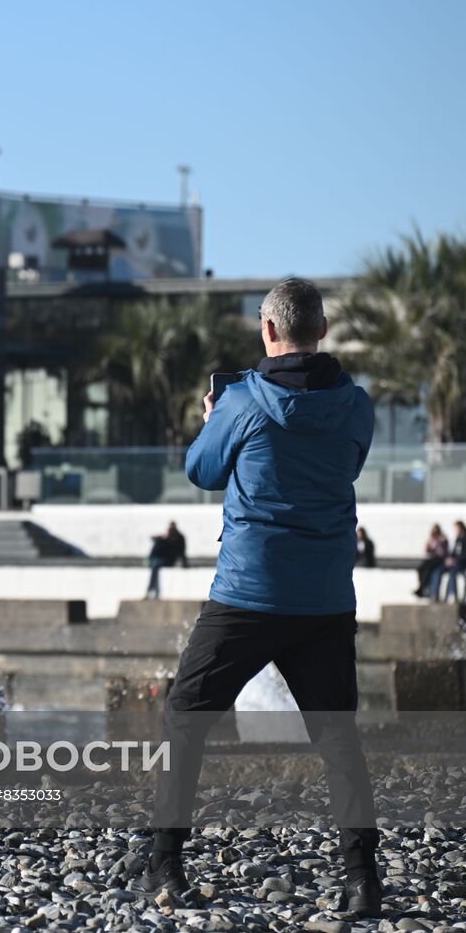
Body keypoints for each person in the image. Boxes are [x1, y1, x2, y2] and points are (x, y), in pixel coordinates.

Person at [136, 279, 384, 918]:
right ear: (322, 329)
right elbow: (348, 465)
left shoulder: (242, 401)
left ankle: (165, 863)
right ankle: (362, 880)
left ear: (267, 330)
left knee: (185, 717)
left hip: (248, 593)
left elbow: (202, 471)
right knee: (338, 738)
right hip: (325, 596)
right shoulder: (356, 405)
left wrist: (214, 420)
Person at [145, 521, 188, 599]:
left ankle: (151, 590)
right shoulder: (166, 536)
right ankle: (153, 591)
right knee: (155, 565)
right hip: (160, 558)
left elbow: (181, 551)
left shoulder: (178, 537)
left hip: (169, 560)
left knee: (155, 565)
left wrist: (184, 563)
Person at [430, 520, 466, 603]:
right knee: (437, 571)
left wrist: (456, 560)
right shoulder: (458, 539)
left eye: (456, 529)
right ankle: (434, 594)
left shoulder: (464, 539)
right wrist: (449, 558)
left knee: (452, 573)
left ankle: (452, 594)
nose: (455, 531)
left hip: (461, 564)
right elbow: (454, 552)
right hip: (454, 563)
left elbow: (463, 554)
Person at [415, 524, 448, 598]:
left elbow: (442, 553)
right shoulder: (431, 539)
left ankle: (423, 589)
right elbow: (426, 552)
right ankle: (422, 587)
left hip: (439, 560)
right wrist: (429, 546)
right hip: (431, 560)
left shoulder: (443, 539)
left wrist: (438, 545)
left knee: (429, 570)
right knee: (421, 569)